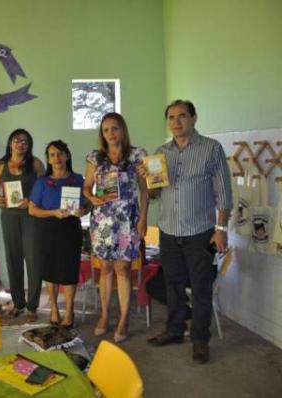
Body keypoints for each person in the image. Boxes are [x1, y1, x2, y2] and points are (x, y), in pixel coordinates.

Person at [141, 100, 232, 364]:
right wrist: (147, 180)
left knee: (201, 288)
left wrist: (221, 229)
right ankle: (175, 330)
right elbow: (155, 194)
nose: (176, 122)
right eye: (171, 117)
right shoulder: (160, 153)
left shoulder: (211, 149)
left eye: (182, 116)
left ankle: (200, 339)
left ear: (194, 118)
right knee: (172, 285)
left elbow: (224, 192)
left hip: (200, 233)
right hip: (169, 231)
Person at [83, 112, 149, 343]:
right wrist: (92, 199)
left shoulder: (137, 155)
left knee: (123, 268)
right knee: (106, 269)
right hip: (102, 220)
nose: (111, 133)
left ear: (123, 129)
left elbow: (145, 190)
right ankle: (104, 315)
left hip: (128, 219)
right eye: (106, 130)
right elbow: (87, 187)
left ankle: (123, 318)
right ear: (102, 134)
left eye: (115, 128)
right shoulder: (95, 158)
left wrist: (143, 220)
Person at [29, 140, 85, 328]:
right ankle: (54, 308)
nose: (57, 158)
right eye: (52, 155)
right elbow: (32, 209)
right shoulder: (42, 182)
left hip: (70, 229)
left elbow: (89, 203)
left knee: (69, 271)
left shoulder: (78, 179)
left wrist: (83, 211)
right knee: (50, 272)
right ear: (48, 159)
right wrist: (53, 212)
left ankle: (69, 311)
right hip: (47, 230)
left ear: (67, 156)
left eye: (60, 153)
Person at [0, 129, 45, 323]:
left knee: (33, 261)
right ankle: (18, 303)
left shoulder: (36, 164)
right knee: (13, 260)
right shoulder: (1, 165)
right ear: (10, 143)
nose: (20, 144)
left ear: (29, 145)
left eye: (25, 141)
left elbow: (45, 187)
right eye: (16, 140)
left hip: (31, 217)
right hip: (9, 217)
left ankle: (32, 306)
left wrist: (30, 200)